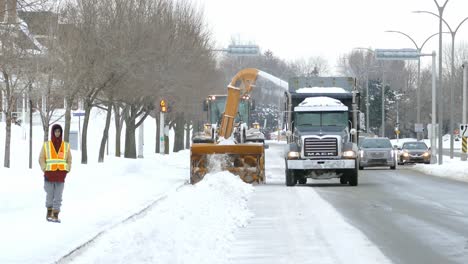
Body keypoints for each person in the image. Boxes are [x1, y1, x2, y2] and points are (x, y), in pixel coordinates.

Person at [38, 124, 72, 223]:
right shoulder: (46, 145)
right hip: (49, 175)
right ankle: (49, 213)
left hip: (61, 175)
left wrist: (67, 169)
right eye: (56, 131)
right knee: (50, 195)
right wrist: (44, 168)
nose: (57, 133)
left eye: (59, 131)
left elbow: (69, 159)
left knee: (58, 196)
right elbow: (41, 158)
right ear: (53, 132)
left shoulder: (65, 145)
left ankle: (55, 215)